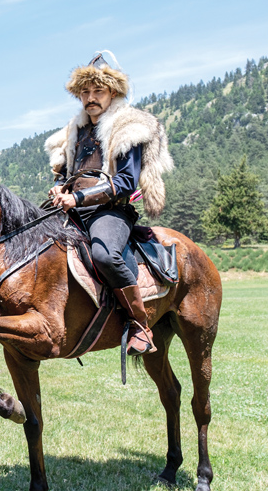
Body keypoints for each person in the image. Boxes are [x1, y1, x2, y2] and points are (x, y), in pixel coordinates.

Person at [44, 54, 173, 355]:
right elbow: (67, 175)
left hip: (111, 210)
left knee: (104, 254)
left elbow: (126, 181)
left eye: (97, 92)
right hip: (72, 210)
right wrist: (58, 190)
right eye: (85, 93)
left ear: (112, 93)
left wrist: (77, 197)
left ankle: (140, 324)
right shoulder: (75, 132)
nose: (90, 98)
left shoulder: (129, 127)